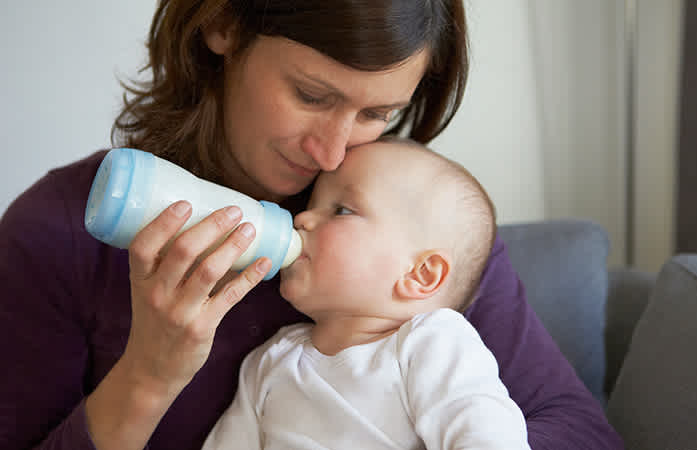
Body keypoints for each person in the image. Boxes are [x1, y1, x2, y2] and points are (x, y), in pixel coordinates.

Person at [0, 1, 623, 450]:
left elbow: (577, 429)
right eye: (312, 95)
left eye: (377, 113)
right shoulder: (57, 236)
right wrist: (148, 376)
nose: (332, 154)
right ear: (221, 23)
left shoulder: (412, 232)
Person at [202, 137, 531, 450]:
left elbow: (487, 436)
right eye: (313, 204)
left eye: (341, 210)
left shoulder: (431, 344)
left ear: (421, 274)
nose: (301, 218)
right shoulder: (270, 360)